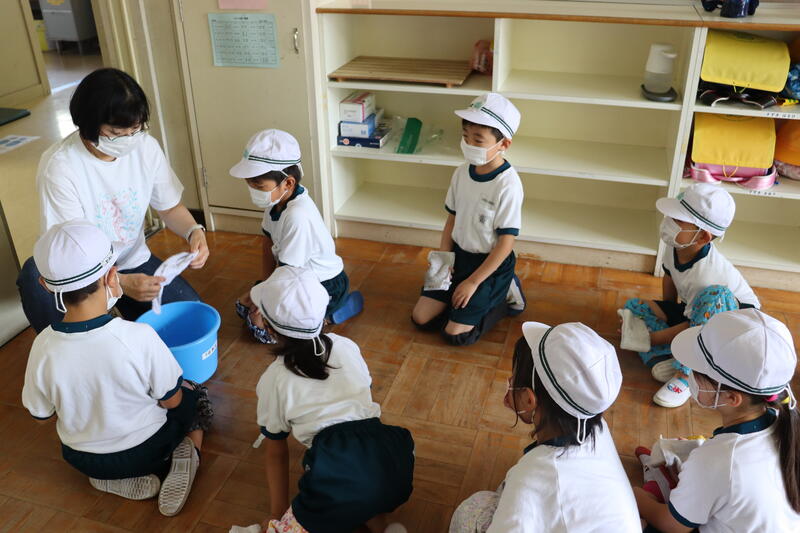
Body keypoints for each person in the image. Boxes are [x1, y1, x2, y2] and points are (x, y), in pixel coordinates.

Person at [21, 219, 213, 516]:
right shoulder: (138, 336)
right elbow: (172, 401)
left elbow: (41, 415)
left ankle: (108, 480)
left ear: (45, 285)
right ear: (113, 276)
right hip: (150, 450)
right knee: (194, 395)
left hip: (83, 459)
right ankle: (188, 455)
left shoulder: (42, 346)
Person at [17, 67, 208, 333]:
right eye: (117, 132)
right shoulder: (60, 167)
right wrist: (119, 283)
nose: (129, 140)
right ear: (88, 124)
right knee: (35, 278)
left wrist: (193, 230)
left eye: (136, 129)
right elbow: (70, 256)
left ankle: (116, 313)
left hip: (131, 262)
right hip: (82, 276)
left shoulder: (145, 147)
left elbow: (169, 207)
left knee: (188, 322)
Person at [251, 266, 414, 533]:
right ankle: (382, 526)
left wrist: (277, 517)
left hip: (338, 475)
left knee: (333, 498)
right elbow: (364, 394)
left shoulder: (275, 378)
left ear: (268, 328)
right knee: (360, 493)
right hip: (390, 463)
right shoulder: (346, 346)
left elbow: (276, 451)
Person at [450, 321, 640, 532]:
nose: (509, 381)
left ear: (529, 400)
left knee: (471, 510)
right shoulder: (597, 425)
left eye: (514, 377)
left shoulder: (531, 479)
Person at [634, 309, 800, 532]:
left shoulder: (718, 459)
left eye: (696, 372)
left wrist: (636, 496)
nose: (689, 375)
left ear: (732, 398)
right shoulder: (785, 421)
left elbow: (672, 525)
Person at [620, 183, 759, 408]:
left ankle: (687, 374)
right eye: (670, 216)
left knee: (714, 297)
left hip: (731, 332)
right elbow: (669, 277)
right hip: (695, 315)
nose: (668, 221)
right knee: (634, 307)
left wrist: (650, 338)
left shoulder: (708, 276)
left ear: (703, 236)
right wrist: (666, 313)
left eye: (677, 220)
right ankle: (670, 356)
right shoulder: (676, 245)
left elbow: (697, 326)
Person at [411, 92, 526, 346]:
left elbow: (506, 243)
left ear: (504, 144)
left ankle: (503, 293)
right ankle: (462, 299)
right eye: (465, 137)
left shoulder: (507, 185)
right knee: (421, 318)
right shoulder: (461, 173)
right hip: (459, 256)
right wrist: (444, 261)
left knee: (456, 335)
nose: (468, 144)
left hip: (489, 263)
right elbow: (451, 220)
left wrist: (473, 282)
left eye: (478, 139)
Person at [230, 129, 361, 343]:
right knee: (244, 307)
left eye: (258, 186)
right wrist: (263, 285)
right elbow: (267, 243)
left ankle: (330, 314)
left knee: (266, 330)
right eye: (250, 184)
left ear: (288, 183)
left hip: (323, 285)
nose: (253, 190)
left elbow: (288, 275)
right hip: (293, 277)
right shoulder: (275, 201)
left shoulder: (297, 216)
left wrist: (264, 304)